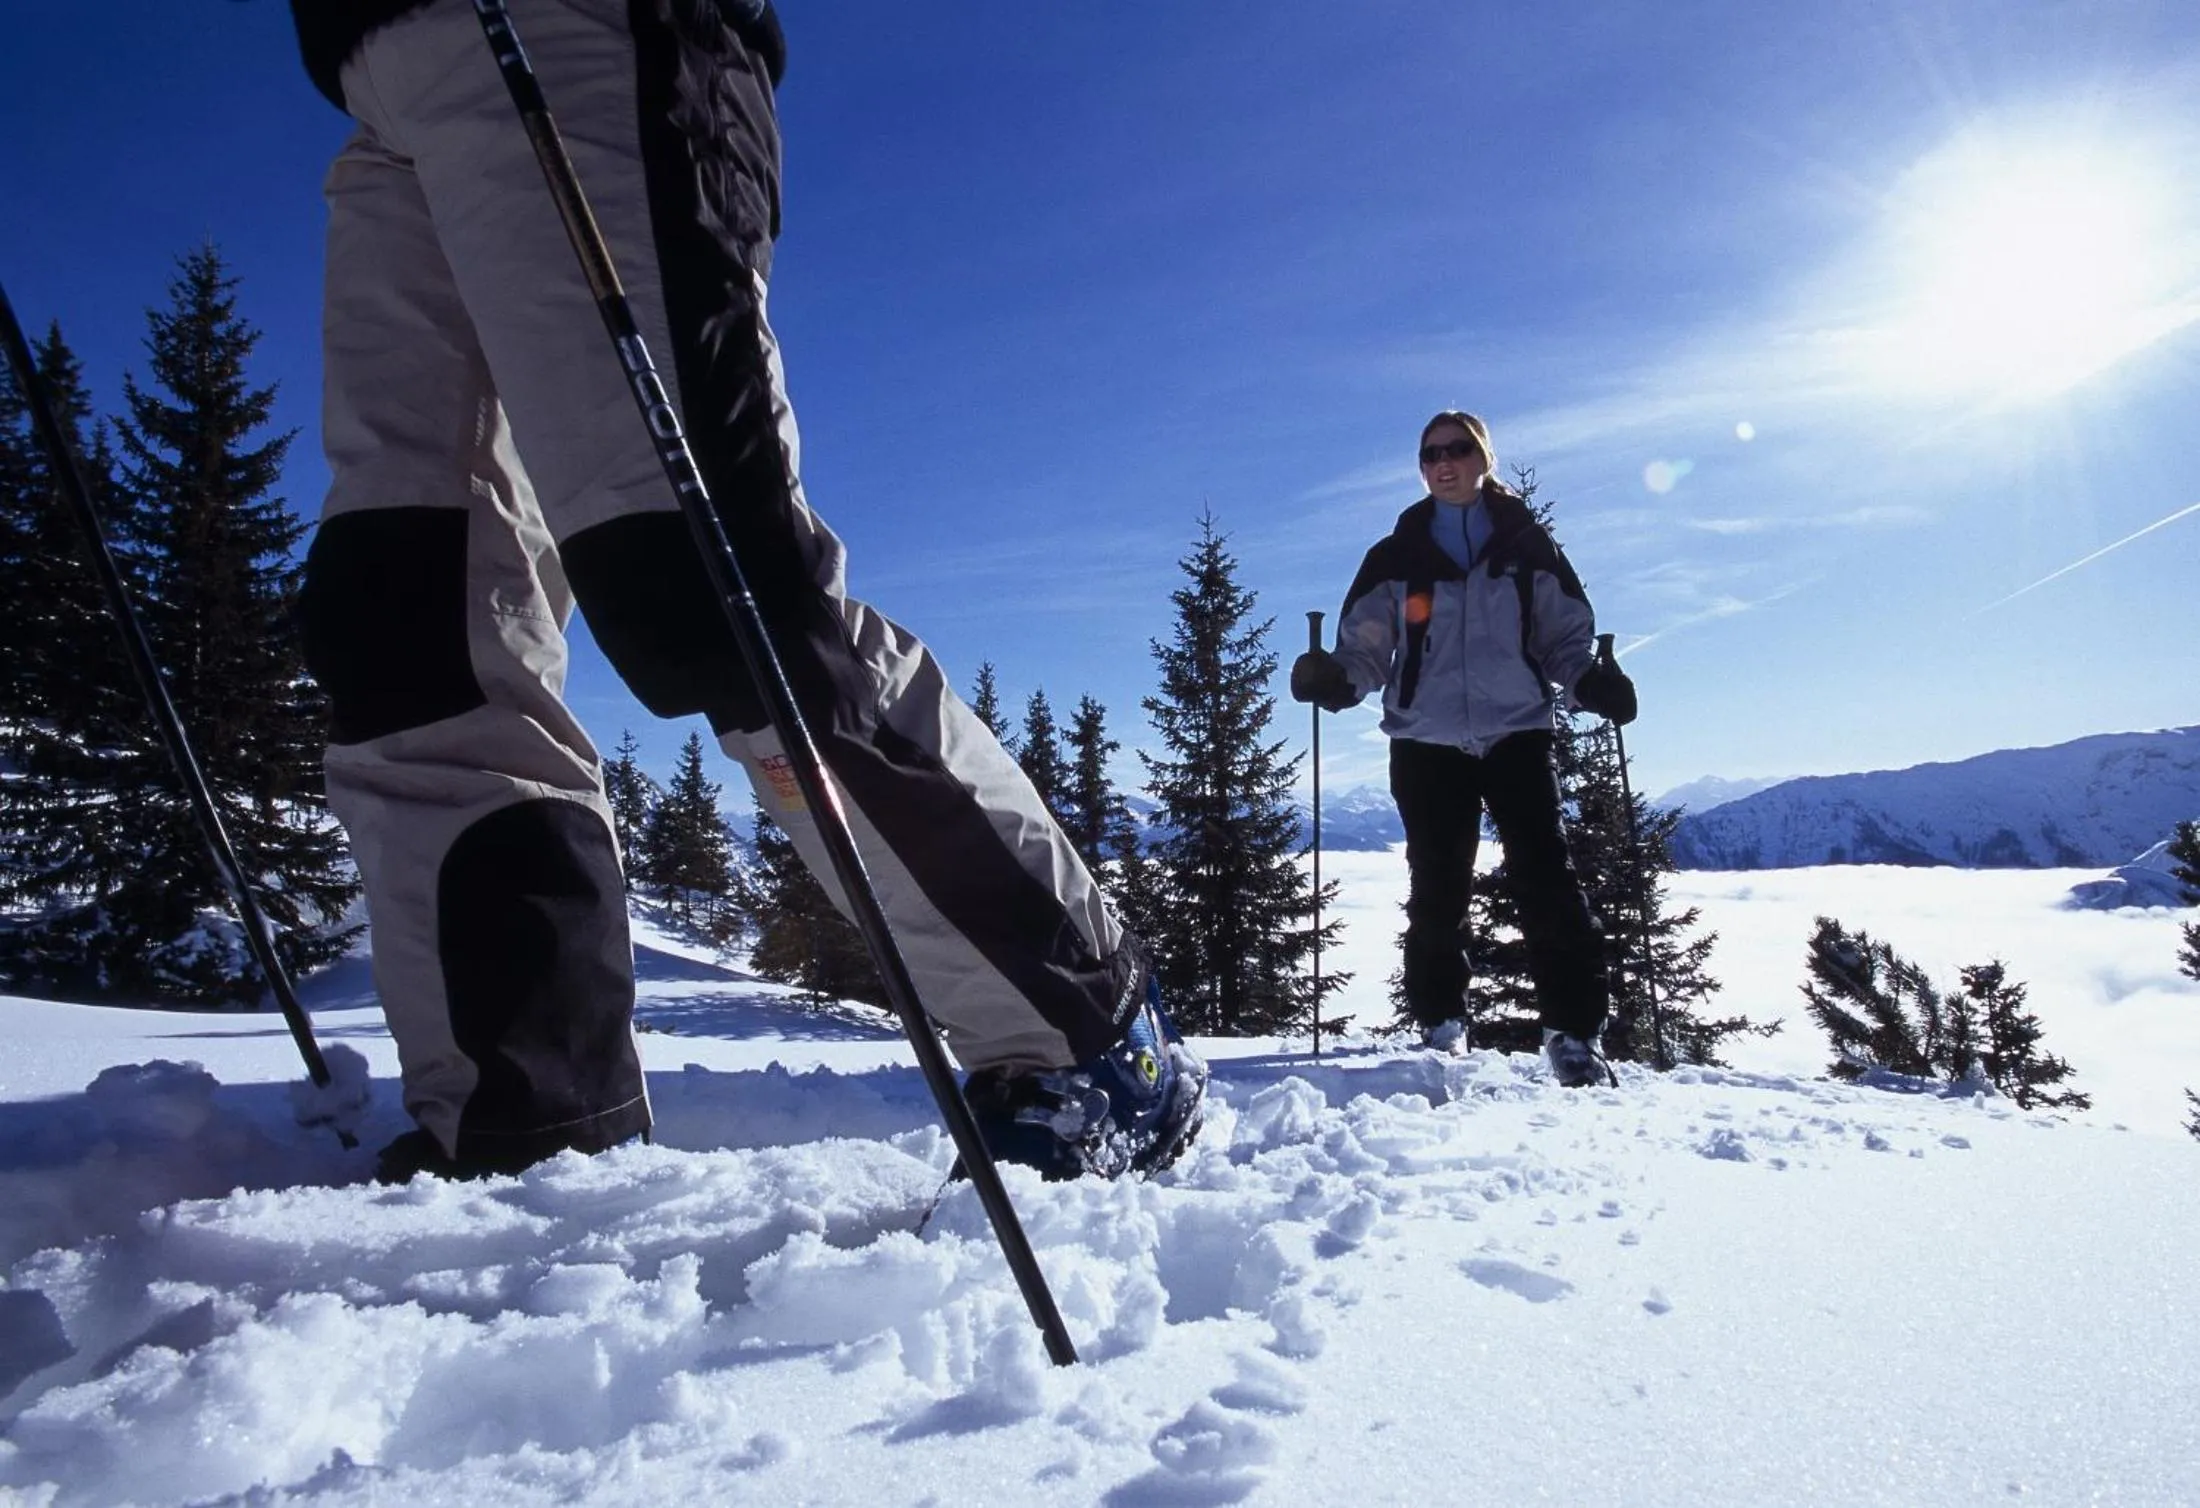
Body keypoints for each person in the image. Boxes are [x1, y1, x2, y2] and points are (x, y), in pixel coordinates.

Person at [283, 0, 1204, 1182]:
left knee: (710, 593)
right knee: (406, 623)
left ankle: (1086, 1033)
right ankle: (530, 1111)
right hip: (375, 83)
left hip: (580, 30)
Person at [1290, 411, 1637, 1087]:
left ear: (1483, 458)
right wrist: (1337, 680)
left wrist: (1589, 679)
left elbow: (1563, 636)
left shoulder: (1525, 543)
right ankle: (1442, 1022)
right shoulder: (1394, 555)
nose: (1442, 462)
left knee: (1548, 881)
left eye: (1456, 450)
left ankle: (1573, 1033)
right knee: (1438, 887)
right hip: (1426, 740)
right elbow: (1366, 649)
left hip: (1517, 729)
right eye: (1429, 454)